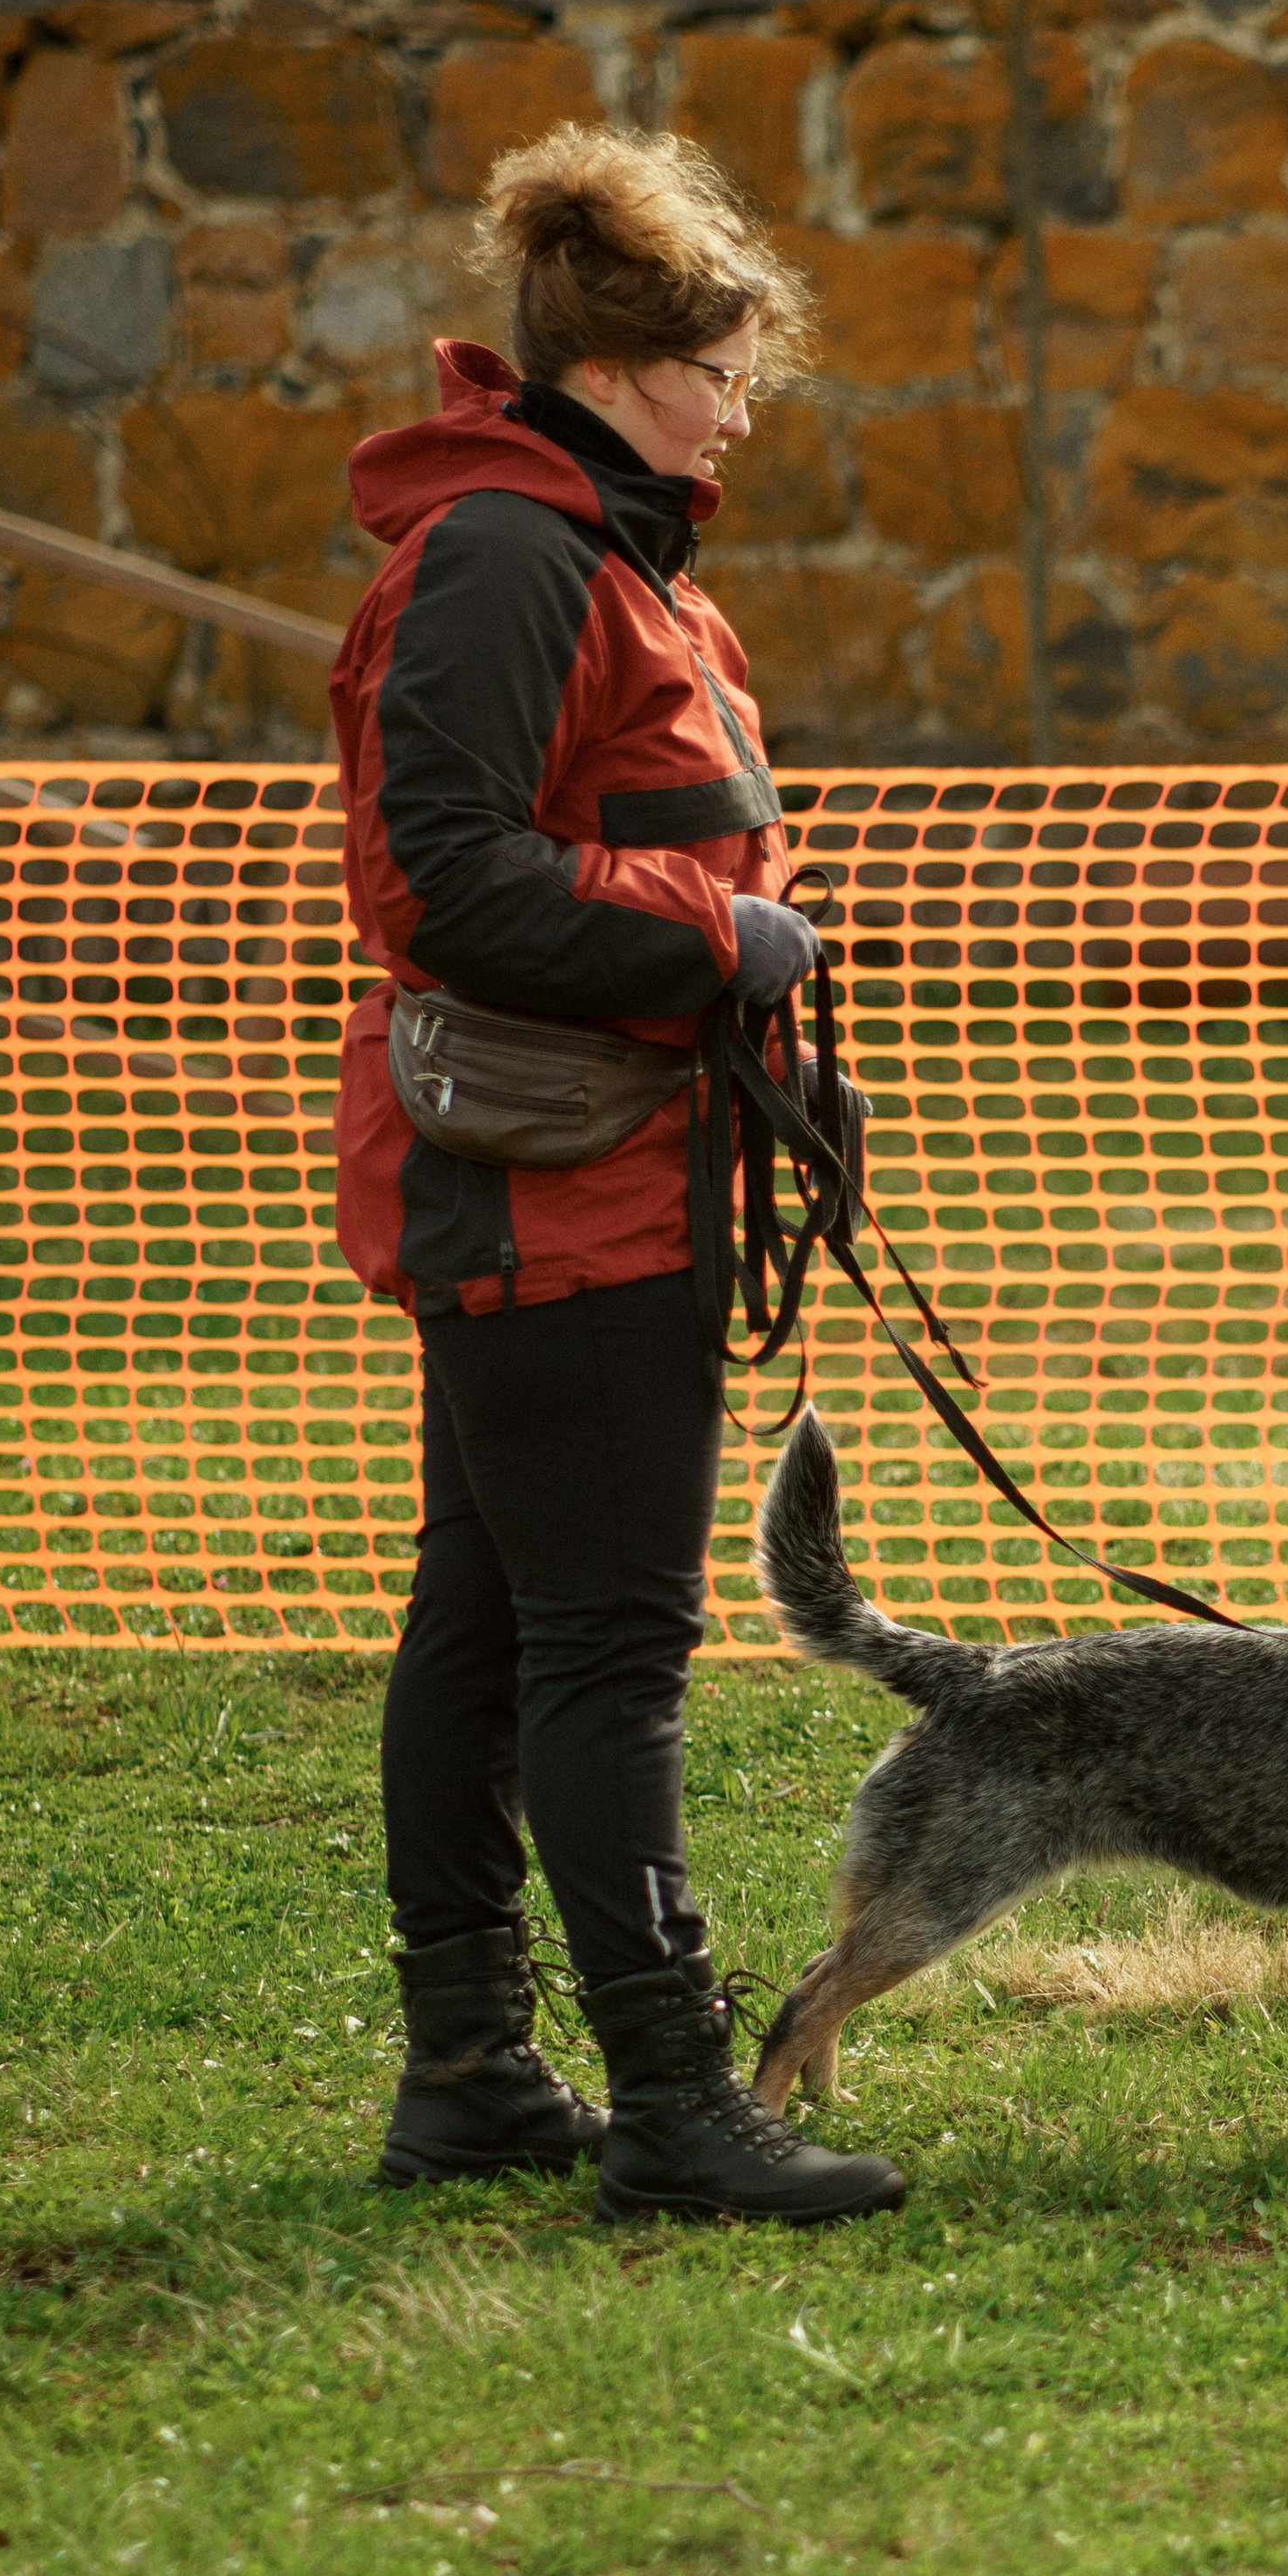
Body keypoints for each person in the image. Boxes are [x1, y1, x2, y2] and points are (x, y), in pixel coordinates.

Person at [328, 123, 904, 2227]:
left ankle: (474, 2076)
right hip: (549, 1190)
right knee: (604, 1649)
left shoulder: (607, 544)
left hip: (613, 1162)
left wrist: (762, 1030)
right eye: (727, 368)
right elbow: (447, 878)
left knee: (489, 1623)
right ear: (627, 363)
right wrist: (716, 947)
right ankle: (672, 2102)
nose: (746, 406)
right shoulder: (510, 555)